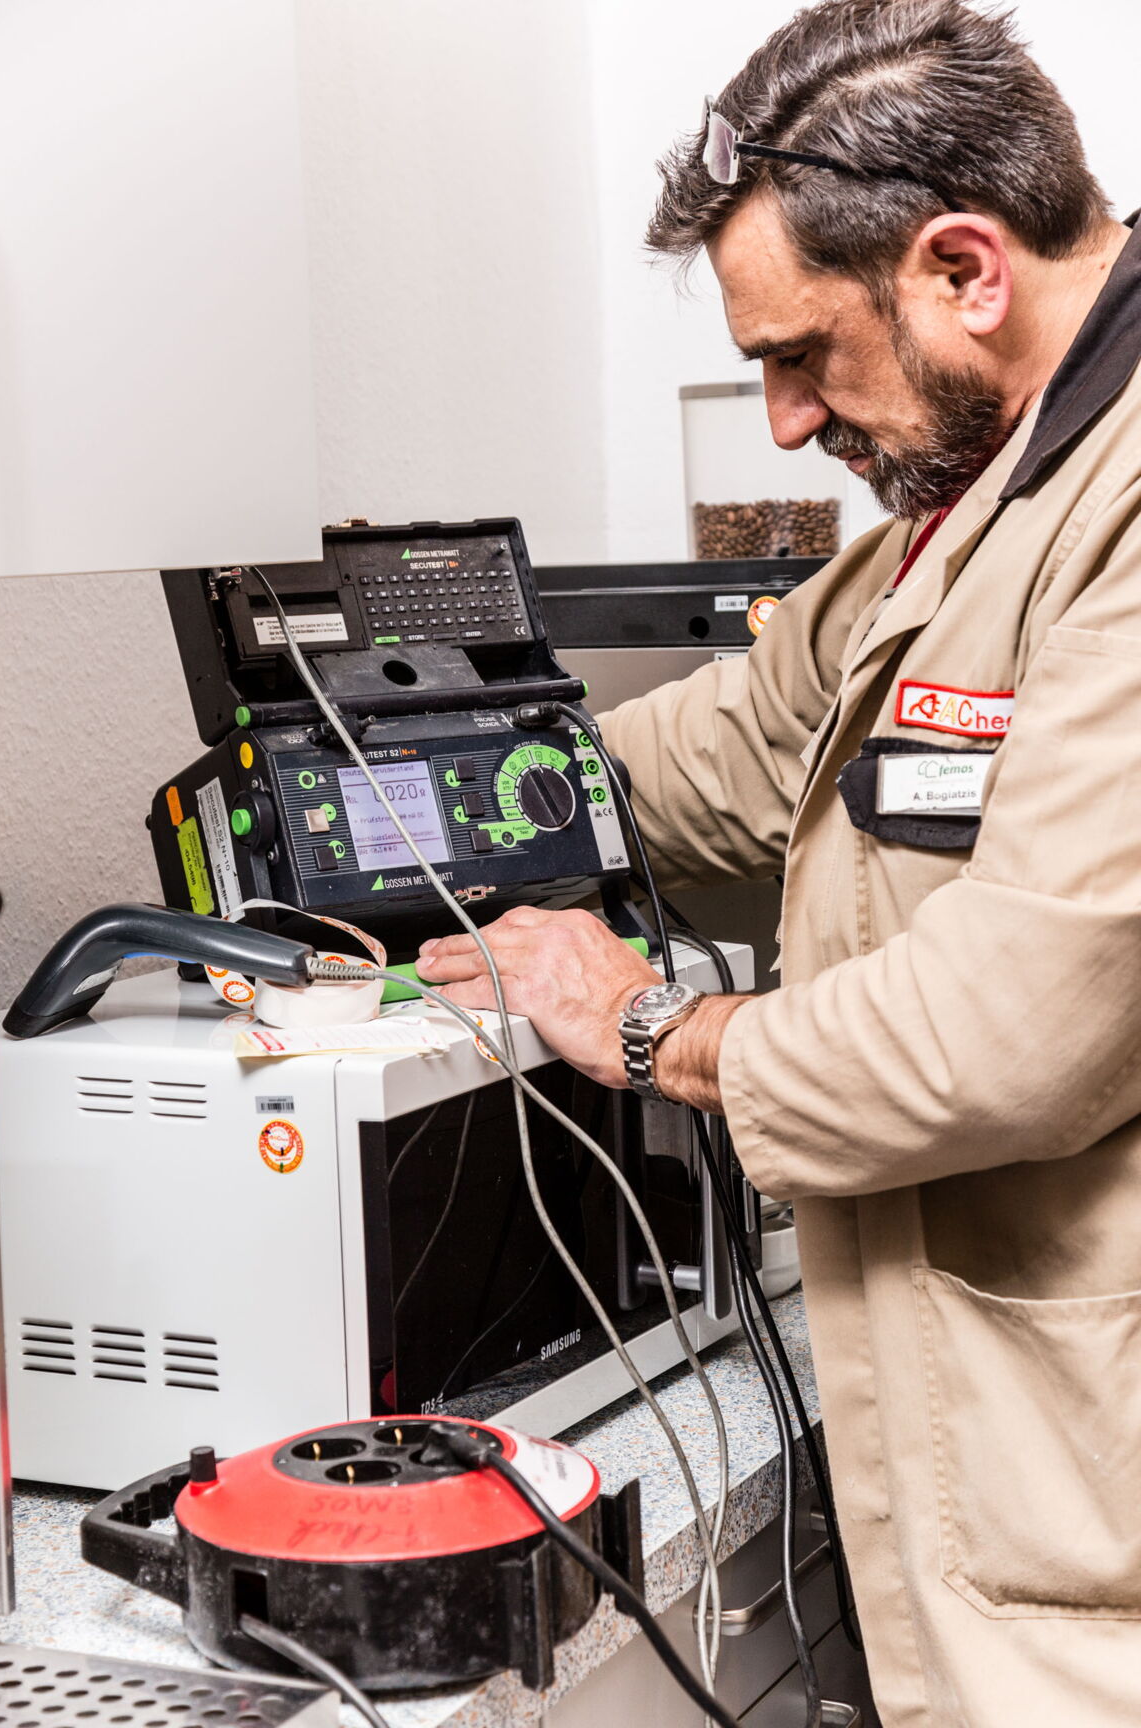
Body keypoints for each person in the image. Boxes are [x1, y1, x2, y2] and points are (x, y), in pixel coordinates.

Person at [416, 1, 1141, 1720]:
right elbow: (724, 756)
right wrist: (378, 826)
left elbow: (1000, 1034)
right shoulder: (977, 505)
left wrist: (646, 1025)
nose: (786, 423)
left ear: (962, 269)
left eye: (804, 354)